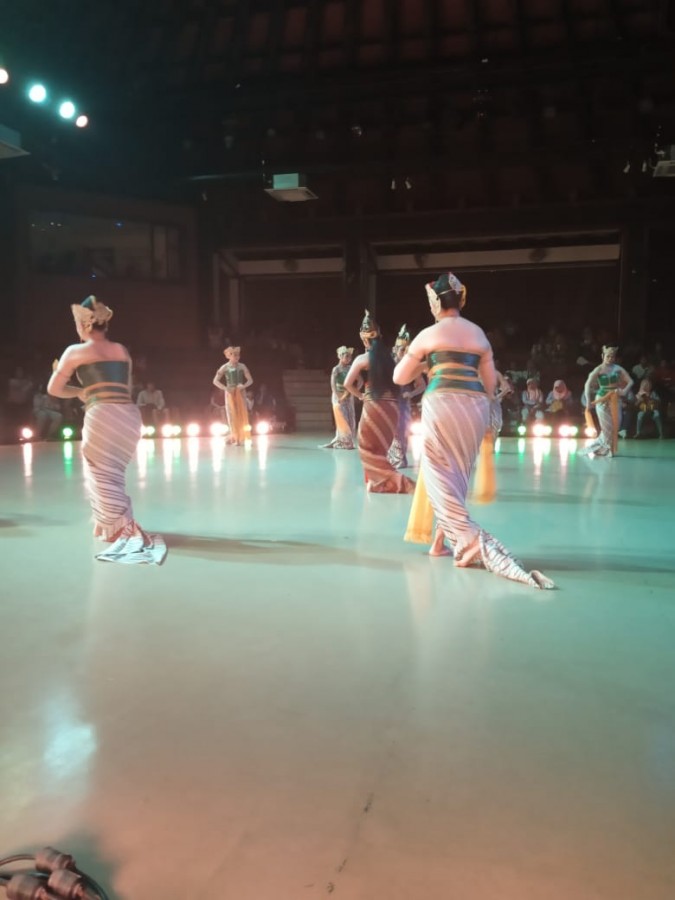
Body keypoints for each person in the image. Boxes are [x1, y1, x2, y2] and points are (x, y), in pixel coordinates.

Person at [393, 272, 554, 589]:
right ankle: (439, 542)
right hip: (475, 408)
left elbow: (400, 377)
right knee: (456, 476)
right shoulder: (478, 334)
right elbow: (490, 386)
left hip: (442, 404)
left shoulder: (429, 334)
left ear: (436, 302)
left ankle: (469, 542)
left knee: (439, 476)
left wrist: (425, 363)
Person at [47, 295, 166, 564]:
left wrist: (80, 392)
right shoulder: (121, 350)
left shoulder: (74, 352)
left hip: (102, 414)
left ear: (83, 324)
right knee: (112, 473)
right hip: (129, 416)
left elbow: (54, 389)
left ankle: (117, 528)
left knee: (101, 473)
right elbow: (126, 386)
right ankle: (113, 524)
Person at [344, 311, 415, 494]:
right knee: (381, 449)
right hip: (392, 407)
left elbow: (347, 384)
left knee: (367, 447)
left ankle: (395, 481)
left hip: (374, 405)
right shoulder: (390, 359)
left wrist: (360, 395)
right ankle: (379, 483)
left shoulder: (362, 359)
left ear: (364, 339)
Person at [582, 345, 633, 457]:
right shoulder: (599, 369)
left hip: (615, 399)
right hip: (602, 399)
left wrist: (624, 391)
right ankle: (608, 449)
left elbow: (630, 381)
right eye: (608, 356)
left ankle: (601, 447)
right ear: (603, 356)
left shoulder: (618, 368)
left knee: (616, 425)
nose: (610, 358)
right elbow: (587, 384)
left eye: (612, 356)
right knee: (606, 426)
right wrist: (588, 401)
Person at [388, 325, 425, 468]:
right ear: (395, 349)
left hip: (403, 403)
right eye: (401, 350)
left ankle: (400, 458)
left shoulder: (411, 367)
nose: (404, 353)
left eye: (406, 350)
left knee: (401, 429)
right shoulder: (389, 365)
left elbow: (422, 385)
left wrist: (411, 393)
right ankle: (391, 457)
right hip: (389, 402)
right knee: (390, 429)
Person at [212, 346, 254, 444]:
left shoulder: (242, 366)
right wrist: (225, 388)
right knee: (231, 414)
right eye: (234, 355)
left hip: (240, 392)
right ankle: (234, 436)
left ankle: (241, 436)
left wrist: (243, 386)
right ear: (229, 356)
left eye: (238, 355)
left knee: (241, 412)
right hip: (230, 392)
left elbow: (250, 380)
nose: (237, 357)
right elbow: (215, 381)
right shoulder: (225, 367)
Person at [321, 346, 356, 449]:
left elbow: (360, 380)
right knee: (342, 418)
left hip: (348, 396)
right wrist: (338, 396)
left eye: (350, 357)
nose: (349, 359)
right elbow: (333, 384)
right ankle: (342, 441)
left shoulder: (350, 368)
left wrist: (353, 391)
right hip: (338, 396)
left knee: (350, 419)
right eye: (346, 356)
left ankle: (348, 442)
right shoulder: (336, 369)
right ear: (340, 356)